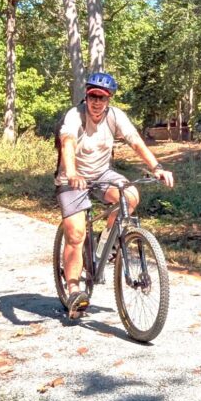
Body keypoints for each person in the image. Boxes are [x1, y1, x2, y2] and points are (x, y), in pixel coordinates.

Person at [56, 72, 174, 319]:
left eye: (102, 97)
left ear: (109, 99)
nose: (97, 102)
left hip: (101, 174)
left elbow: (136, 142)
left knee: (130, 195)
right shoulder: (74, 116)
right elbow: (67, 142)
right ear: (86, 96)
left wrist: (157, 167)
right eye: (92, 96)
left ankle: (104, 245)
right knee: (76, 234)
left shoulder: (115, 116)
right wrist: (72, 172)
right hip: (72, 177)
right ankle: (74, 289)